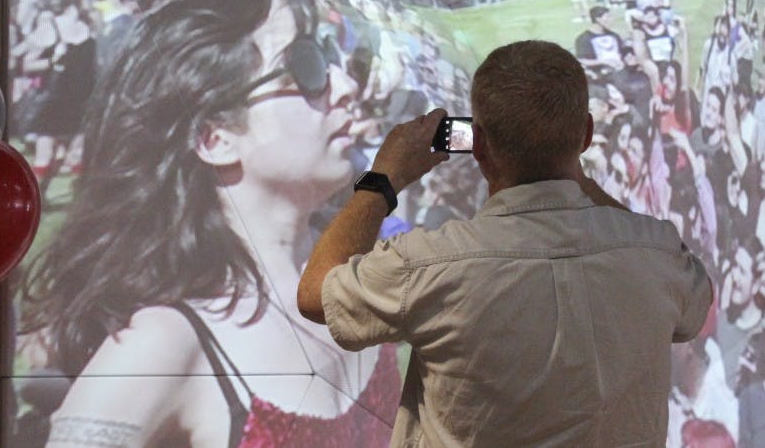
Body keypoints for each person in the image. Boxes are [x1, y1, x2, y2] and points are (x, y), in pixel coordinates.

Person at [17, 0, 400, 446]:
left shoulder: (363, 271)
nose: (345, 86)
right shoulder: (162, 345)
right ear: (216, 139)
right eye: (305, 67)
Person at [298, 40, 713, 446]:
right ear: (585, 134)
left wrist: (382, 178)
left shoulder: (430, 265)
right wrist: (577, 177)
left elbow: (316, 294)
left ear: (477, 145)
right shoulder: (658, 254)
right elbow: (695, 308)